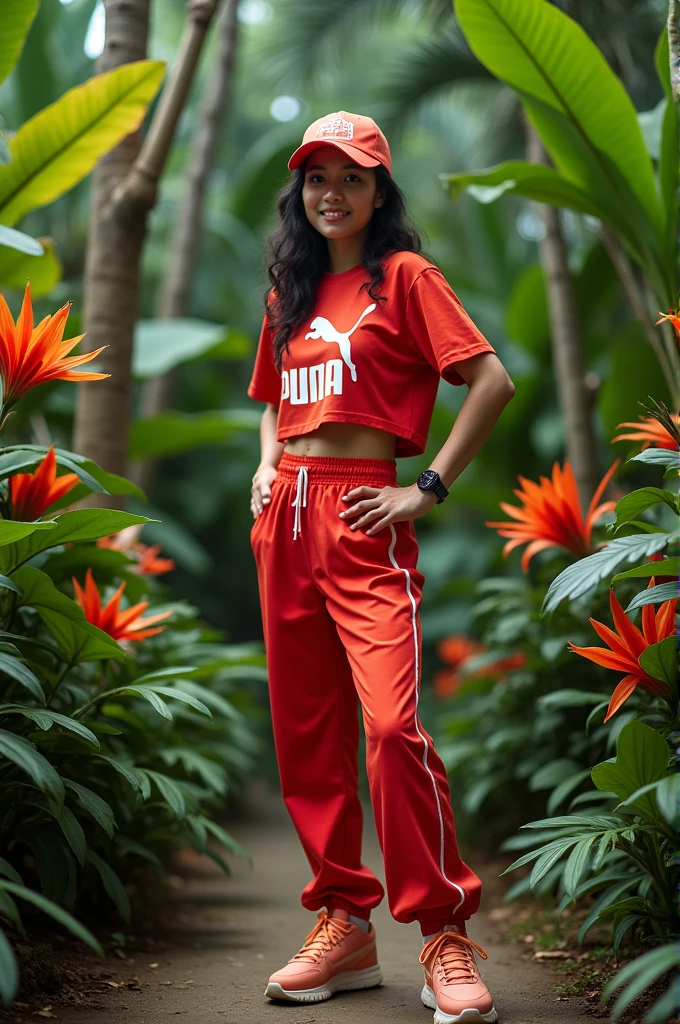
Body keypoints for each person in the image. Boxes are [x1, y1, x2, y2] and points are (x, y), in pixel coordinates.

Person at [247, 110, 514, 1024]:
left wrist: (427, 487)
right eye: (317, 178)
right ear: (302, 190)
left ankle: (442, 931)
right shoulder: (289, 287)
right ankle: (343, 921)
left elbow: (491, 381)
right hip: (286, 515)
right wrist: (265, 464)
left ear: (379, 191)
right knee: (306, 734)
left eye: (352, 178)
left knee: (392, 727)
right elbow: (274, 399)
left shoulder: (406, 279)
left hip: (366, 511)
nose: (333, 193)